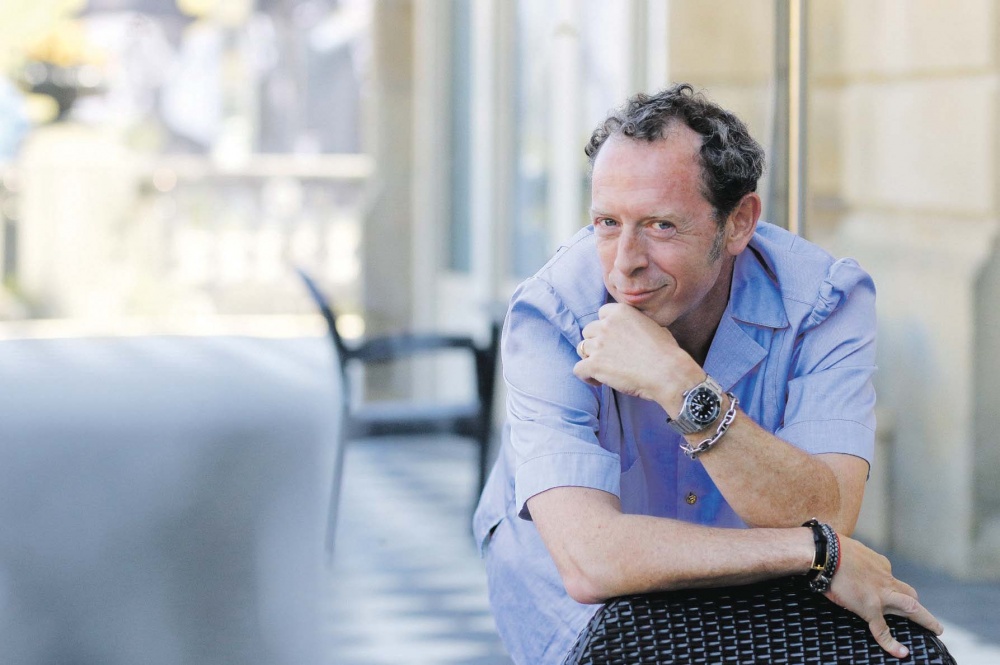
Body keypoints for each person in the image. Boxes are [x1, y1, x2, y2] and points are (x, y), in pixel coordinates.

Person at [472, 83, 943, 664]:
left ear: (739, 222)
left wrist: (680, 384)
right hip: (566, 585)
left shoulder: (823, 301)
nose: (625, 263)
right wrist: (813, 553)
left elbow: (829, 515)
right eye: (607, 222)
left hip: (741, 577)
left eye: (661, 226)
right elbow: (591, 560)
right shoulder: (552, 312)